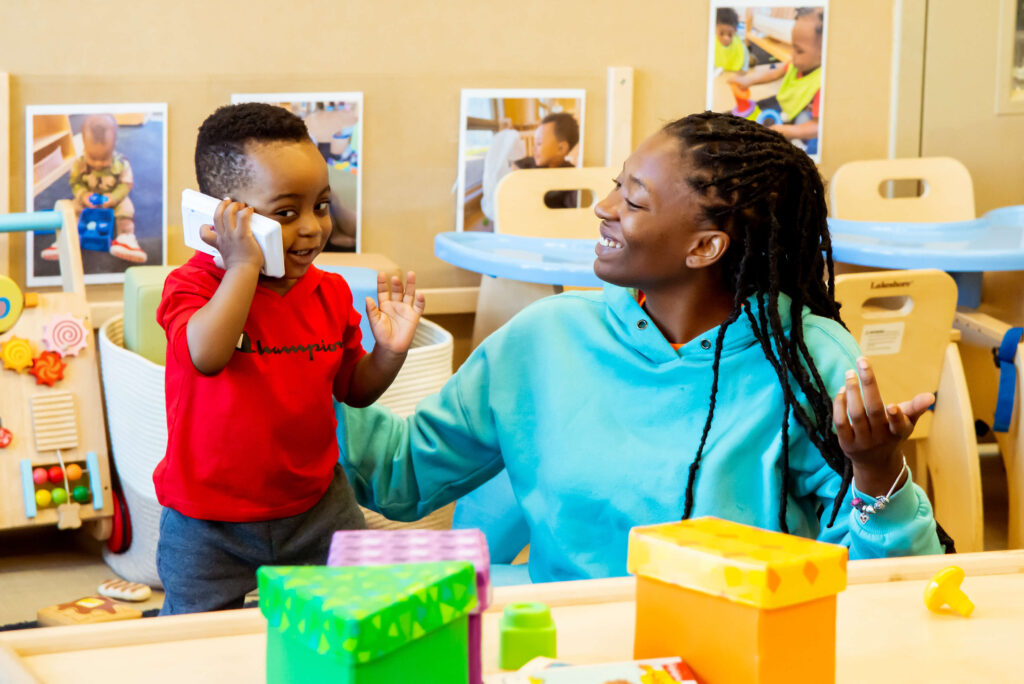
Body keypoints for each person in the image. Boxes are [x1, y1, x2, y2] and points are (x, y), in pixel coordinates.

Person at [338, 112, 944, 584]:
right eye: (615, 187)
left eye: (632, 201)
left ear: (705, 248)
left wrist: (878, 475)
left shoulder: (807, 359)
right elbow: (401, 475)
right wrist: (295, 365)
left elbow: (882, 573)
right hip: (572, 648)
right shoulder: (545, 337)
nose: (603, 210)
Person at [154, 103, 425, 614]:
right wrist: (242, 266)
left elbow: (353, 389)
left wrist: (388, 353)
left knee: (348, 623)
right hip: (208, 522)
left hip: (318, 509)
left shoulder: (329, 292)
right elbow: (206, 356)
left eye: (321, 205)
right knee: (191, 647)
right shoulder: (191, 286)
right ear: (223, 216)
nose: (312, 228)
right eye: (285, 212)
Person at [41, 113, 147, 263]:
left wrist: (114, 197)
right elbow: (75, 183)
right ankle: (67, 240)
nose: (97, 164)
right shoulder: (79, 164)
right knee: (71, 208)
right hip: (87, 199)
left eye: (103, 158)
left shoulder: (121, 163)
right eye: (93, 157)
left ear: (113, 147)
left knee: (126, 207)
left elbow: (126, 184)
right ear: (84, 146)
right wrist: (83, 195)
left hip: (112, 198)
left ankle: (126, 238)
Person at [730, 8, 823, 150]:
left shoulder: (821, 83)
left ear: (823, 54)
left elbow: (817, 125)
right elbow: (773, 74)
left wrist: (790, 132)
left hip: (801, 119)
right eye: (792, 47)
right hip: (785, 106)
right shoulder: (795, 63)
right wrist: (749, 81)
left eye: (799, 51)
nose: (792, 54)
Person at [513, 111, 582, 209]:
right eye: (534, 143)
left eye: (539, 143)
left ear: (561, 149)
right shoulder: (529, 164)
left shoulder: (570, 177)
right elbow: (513, 169)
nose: (534, 148)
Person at [714, 7, 748, 72]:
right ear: (715, 30)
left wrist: (744, 69)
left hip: (734, 71)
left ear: (735, 31)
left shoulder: (739, 45)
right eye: (721, 33)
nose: (725, 38)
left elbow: (745, 56)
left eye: (730, 34)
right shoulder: (711, 43)